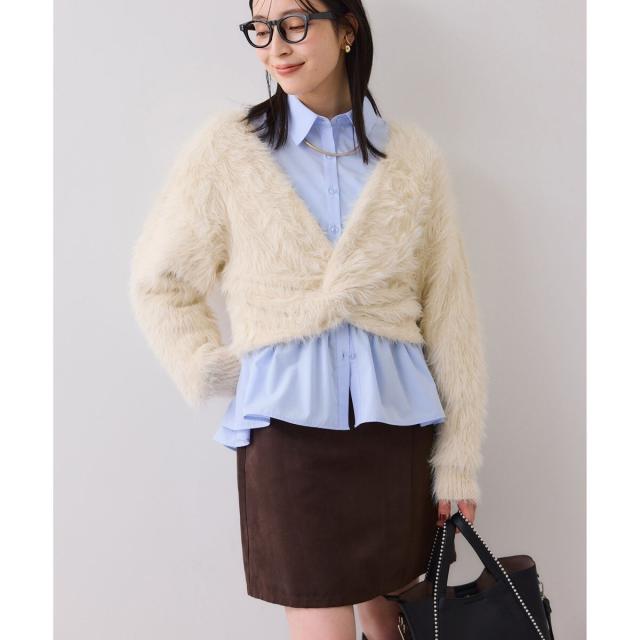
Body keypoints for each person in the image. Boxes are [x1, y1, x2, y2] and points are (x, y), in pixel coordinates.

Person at [129, 1, 488, 638]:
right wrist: (212, 367)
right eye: (261, 28)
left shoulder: (413, 159)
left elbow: (450, 313)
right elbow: (162, 280)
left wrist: (458, 460)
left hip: (394, 432)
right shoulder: (228, 150)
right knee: (319, 619)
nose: (276, 45)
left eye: (294, 23)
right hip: (286, 434)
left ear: (347, 29)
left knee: (397, 624)